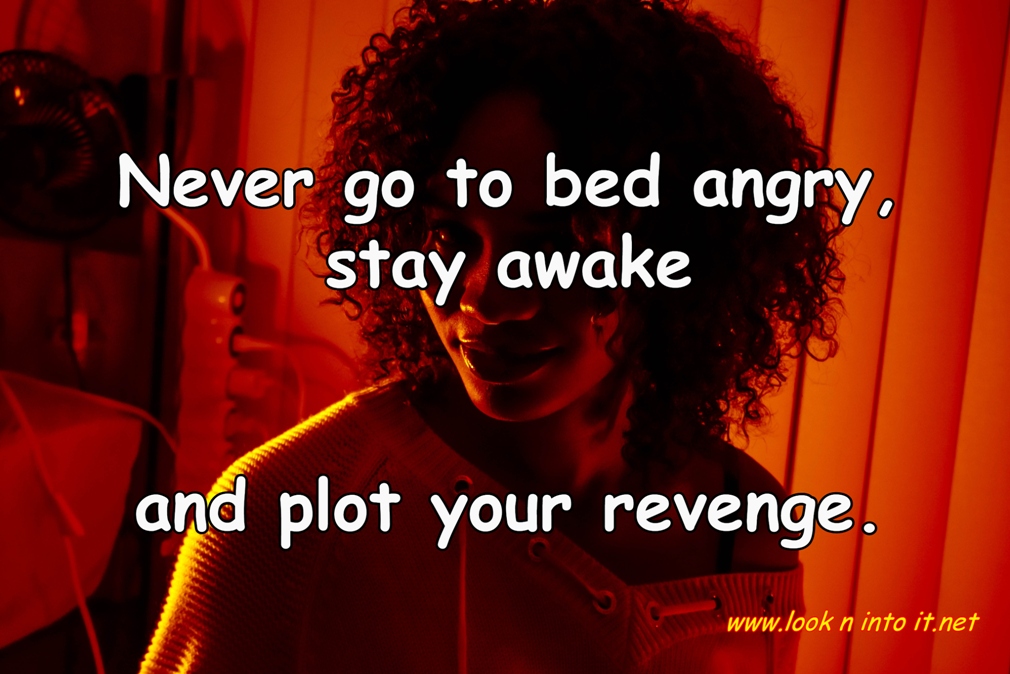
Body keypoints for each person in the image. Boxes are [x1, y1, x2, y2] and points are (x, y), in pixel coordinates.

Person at [140, 0, 843, 671]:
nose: (486, 298)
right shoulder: (280, 517)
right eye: (450, 238)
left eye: (557, 243)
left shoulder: (744, 536)